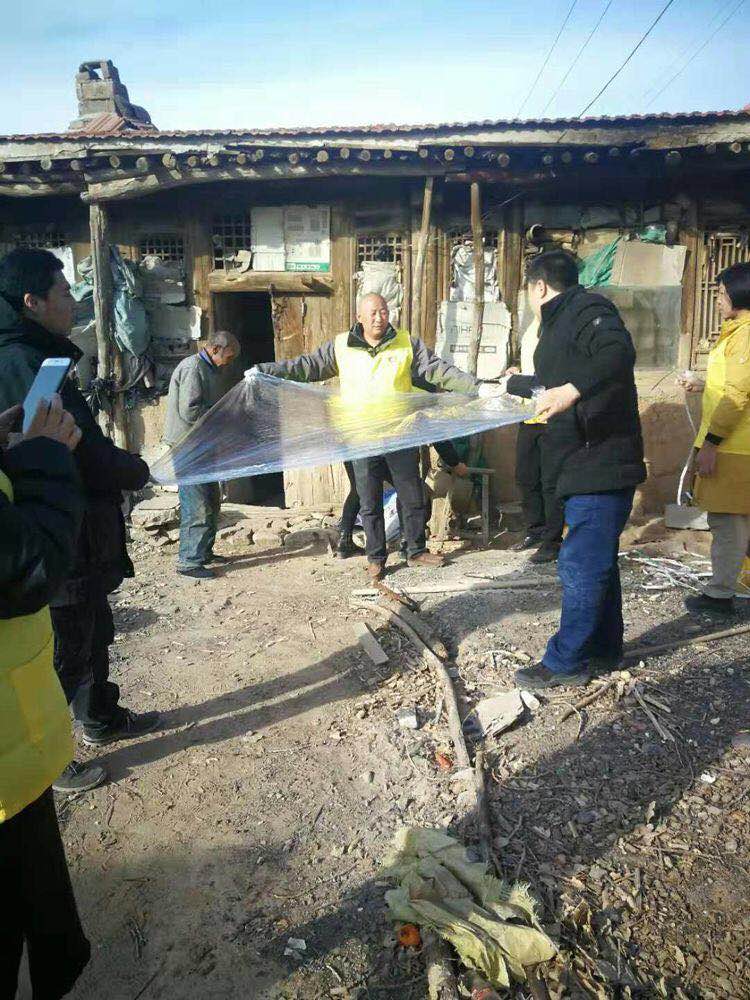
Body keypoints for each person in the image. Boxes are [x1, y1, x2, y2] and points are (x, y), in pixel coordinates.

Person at [0, 249, 159, 794]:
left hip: (79, 528)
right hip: (55, 531)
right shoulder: (20, 364)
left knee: (94, 630)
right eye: (65, 293)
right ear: (32, 301)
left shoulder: (40, 357)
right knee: (66, 645)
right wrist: (133, 469)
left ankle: (99, 717)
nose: (74, 302)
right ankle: (49, 757)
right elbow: (74, 450)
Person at [255, 293, 500, 580]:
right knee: (369, 501)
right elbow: (305, 367)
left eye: (383, 311)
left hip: (400, 435)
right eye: (372, 313)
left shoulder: (406, 343)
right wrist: (264, 370)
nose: (379, 318)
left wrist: (477, 387)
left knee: (412, 496)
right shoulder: (341, 346)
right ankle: (376, 557)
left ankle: (416, 550)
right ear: (359, 317)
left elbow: (438, 370)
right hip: (361, 438)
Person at [507, 250, 646, 689]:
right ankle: (604, 649)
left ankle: (565, 661)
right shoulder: (558, 323)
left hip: (600, 460)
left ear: (539, 286)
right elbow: (555, 382)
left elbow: (618, 353)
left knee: (581, 564)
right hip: (581, 460)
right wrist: (508, 384)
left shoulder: (588, 308)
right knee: (598, 562)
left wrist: (572, 389)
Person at [0, 395, 91, 1000]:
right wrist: (46, 459)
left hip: (18, 750)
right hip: (6, 761)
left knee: (40, 903)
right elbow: (30, 565)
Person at [678, 262, 750, 616]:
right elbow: (735, 385)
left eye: (722, 294)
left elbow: (737, 395)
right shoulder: (736, 332)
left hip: (735, 447)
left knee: (728, 521)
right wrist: (704, 386)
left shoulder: (745, 335)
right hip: (734, 443)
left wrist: (710, 444)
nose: (718, 300)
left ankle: (720, 594)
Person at [164, 330, 240, 579]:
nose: (229, 363)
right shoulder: (193, 368)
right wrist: (221, 414)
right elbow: (190, 411)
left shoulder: (209, 369)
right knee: (197, 503)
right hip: (188, 446)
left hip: (202, 445)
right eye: (228, 357)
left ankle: (203, 553)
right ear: (215, 349)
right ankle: (189, 562)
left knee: (211, 501)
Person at [335, 442, 469, 558]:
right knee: (407, 490)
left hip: (354, 447)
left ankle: (344, 541)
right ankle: (407, 544)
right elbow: (436, 433)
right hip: (389, 447)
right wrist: (454, 462)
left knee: (358, 491)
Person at [509, 317, 565, 563]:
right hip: (529, 417)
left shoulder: (561, 326)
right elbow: (530, 365)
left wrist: (516, 383)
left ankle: (553, 541)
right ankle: (535, 531)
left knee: (550, 482)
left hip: (554, 417)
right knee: (526, 477)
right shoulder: (533, 325)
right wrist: (516, 372)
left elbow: (554, 377)